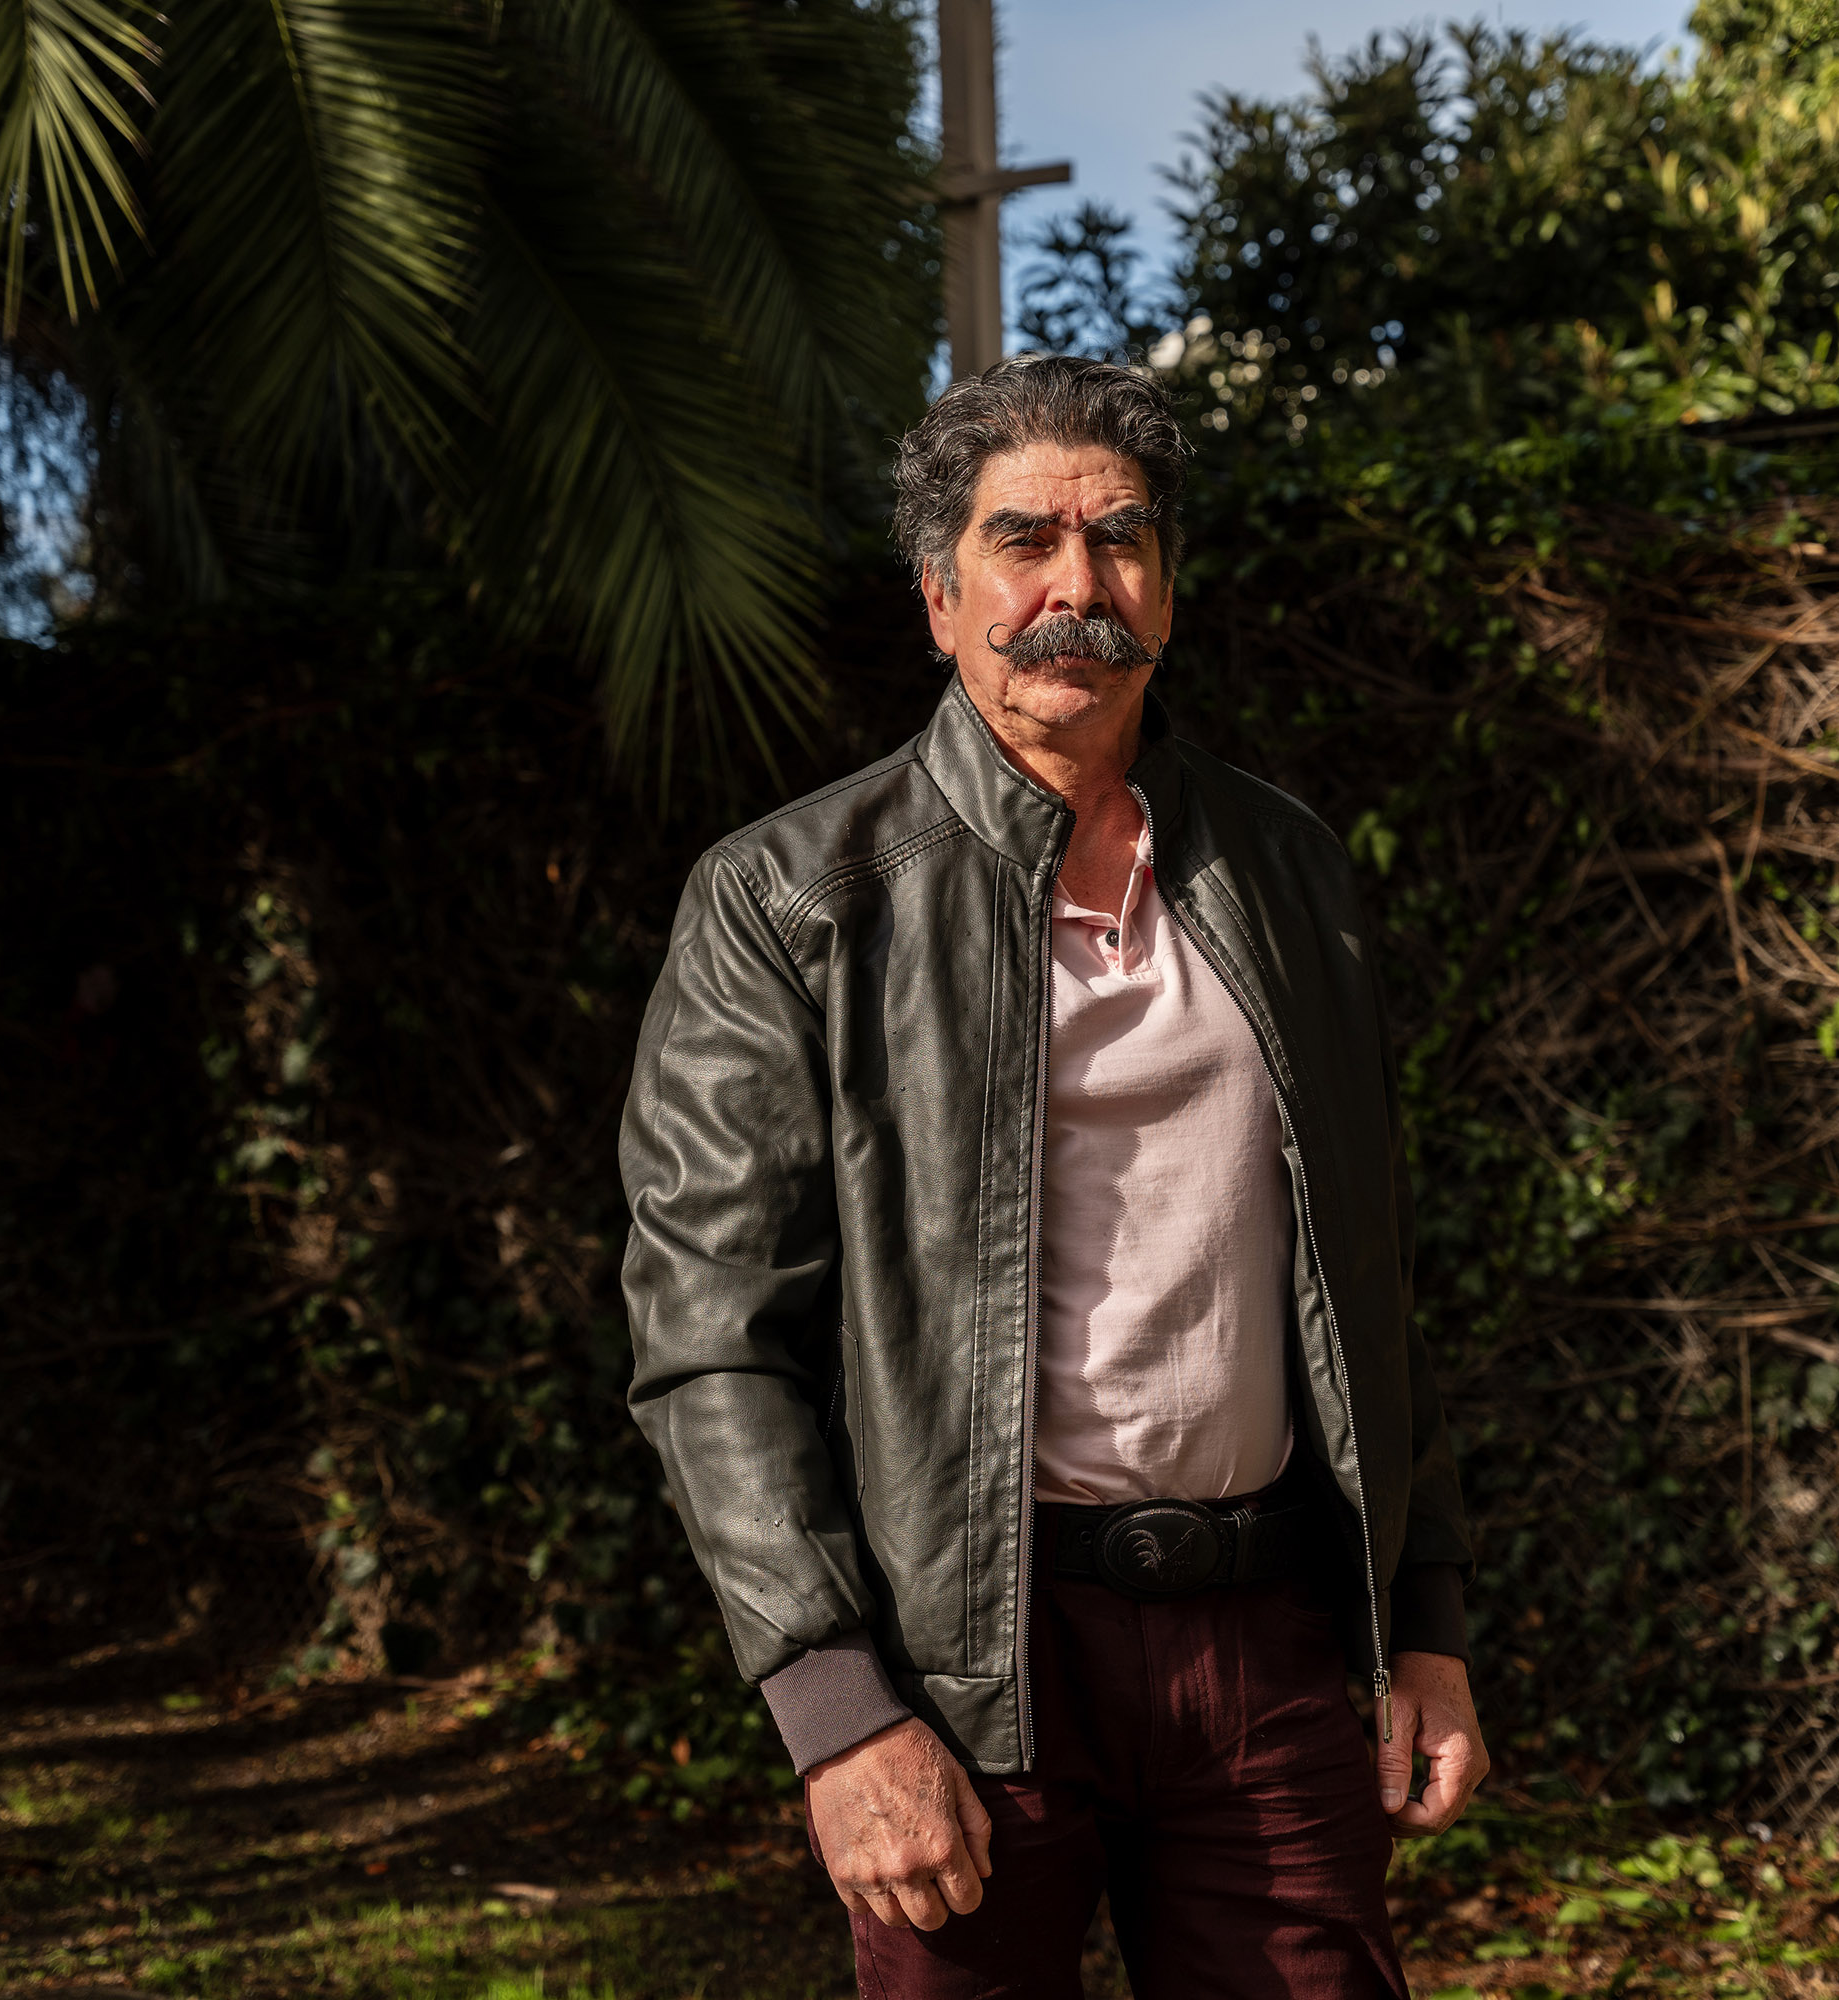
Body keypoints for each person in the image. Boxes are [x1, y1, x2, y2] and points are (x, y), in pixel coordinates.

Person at [619, 353, 1487, 1997]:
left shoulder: (1288, 869)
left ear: (1170, 591)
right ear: (940, 598)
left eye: (1123, 544)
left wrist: (1422, 1620)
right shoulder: (791, 900)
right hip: (967, 1666)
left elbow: (1367, 1273)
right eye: (1025, 543)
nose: (1076, 588)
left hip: (1277, 1649)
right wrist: (831, 1707)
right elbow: (709, 1335)